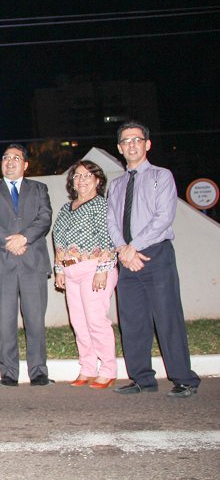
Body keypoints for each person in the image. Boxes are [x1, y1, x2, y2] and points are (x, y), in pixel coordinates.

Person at [107, 120, 200, 398]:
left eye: (137, 140)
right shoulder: (117, 184)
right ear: (120, 148)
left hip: (156, 254)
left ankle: (184, 379)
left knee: (167, 316)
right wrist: (124, 249)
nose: (131, 145)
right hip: (127, 257)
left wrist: (133, 246)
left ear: (147, 145)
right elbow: (112, 221)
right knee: (132, 320)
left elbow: (163, 218)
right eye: (126, 141)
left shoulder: (162, 176)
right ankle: (141, 378)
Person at [0, 143, 53, 387]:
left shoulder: (39, 189)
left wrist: (24, 238)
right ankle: (8, 373)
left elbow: (44, 218)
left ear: (26, 164)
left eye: (16, 158)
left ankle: (38, 371)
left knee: (35, 320)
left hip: (33, 261)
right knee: (6, 321)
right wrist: (7, 242)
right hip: (3, 263)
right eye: (6, 158)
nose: (10, 162)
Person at [52, 161, 118, 389]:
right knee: (79, 323)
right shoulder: (66, 208)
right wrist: (59, 269)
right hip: (71, 272)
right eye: (77, 176)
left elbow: (108, 238)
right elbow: (58, 241)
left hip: (94, 269)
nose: (81, 180)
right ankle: (88, 367)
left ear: (97, 181)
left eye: (87, 176)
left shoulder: (101, 206)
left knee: (96, 321)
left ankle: (108, 369)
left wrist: (103, 270)